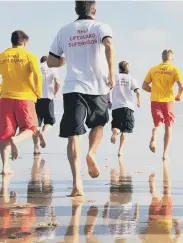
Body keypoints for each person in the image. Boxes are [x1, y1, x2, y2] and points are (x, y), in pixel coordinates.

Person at [47, 1, 115, 197]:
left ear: (76, 10)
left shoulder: (64, 30)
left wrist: (66, 57)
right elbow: (109, 45)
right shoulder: (101, 26)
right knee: (99, 124)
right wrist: (111, 73)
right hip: (98, 86)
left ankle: (77, 184)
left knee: (73, 134)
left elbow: (52, 61)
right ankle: (92, 153)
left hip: (73, 87)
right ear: (94, 9)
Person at [0, 30, 42, 175]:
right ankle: (16, 141)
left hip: (5, 98)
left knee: (4, 134)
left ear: (11, 42)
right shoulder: (30, 56)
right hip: (25, 97)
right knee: (31, 127)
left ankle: (5, 168)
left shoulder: (2, 56)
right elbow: (37, 75)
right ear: (24, 42)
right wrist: (38, 93)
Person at [142, 49, 183, 160]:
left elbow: (144, 86)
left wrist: (154, 90)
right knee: (168, 126)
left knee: (158, 125)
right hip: (168, 101)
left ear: (162, 57)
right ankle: (165, 154)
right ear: (172, 58)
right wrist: (178, 95)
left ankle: (154, 139)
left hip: (155, 101)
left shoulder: (153, 69)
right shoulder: (174, 69)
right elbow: (181, 86)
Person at [139, 163, 180, 243]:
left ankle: (165, 168)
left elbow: (177, 236)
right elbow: (142, 236)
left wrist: (176, 224)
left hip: (166, 221)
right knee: (155, 197)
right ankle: (153, 188)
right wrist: (146, 227)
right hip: (153, 223)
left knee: (167, 192)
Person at [108, 61, 141, 157]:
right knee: (125, 130)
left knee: (116, 124)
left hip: (116, 107)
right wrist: (139, 101)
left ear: (119, 68)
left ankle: (114, 134)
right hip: (128, 107)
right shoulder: (131, 79)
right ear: (128, 69)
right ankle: (120, 150)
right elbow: (138, 91)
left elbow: (107, 90)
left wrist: (108, 101)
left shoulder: (114, 77)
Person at [102, 158, 139, 241]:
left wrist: (137, 206)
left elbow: (135, 218)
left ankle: (120, 162)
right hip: (114, 203)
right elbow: (105, 220)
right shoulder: (112, 234)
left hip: (126, 202)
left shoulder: (129, 234)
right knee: (114, 184)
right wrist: (105, 208)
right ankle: (114, 166)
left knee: (124, 179)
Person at [33, 56, 60, 155]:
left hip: (36, 98)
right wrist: (55, 93)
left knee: (36, 124)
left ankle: (36, 148)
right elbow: (57, 82)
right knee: (49, 121)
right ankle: (43, 133)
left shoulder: (36, 67)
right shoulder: (53, 68)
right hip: (48, 98)